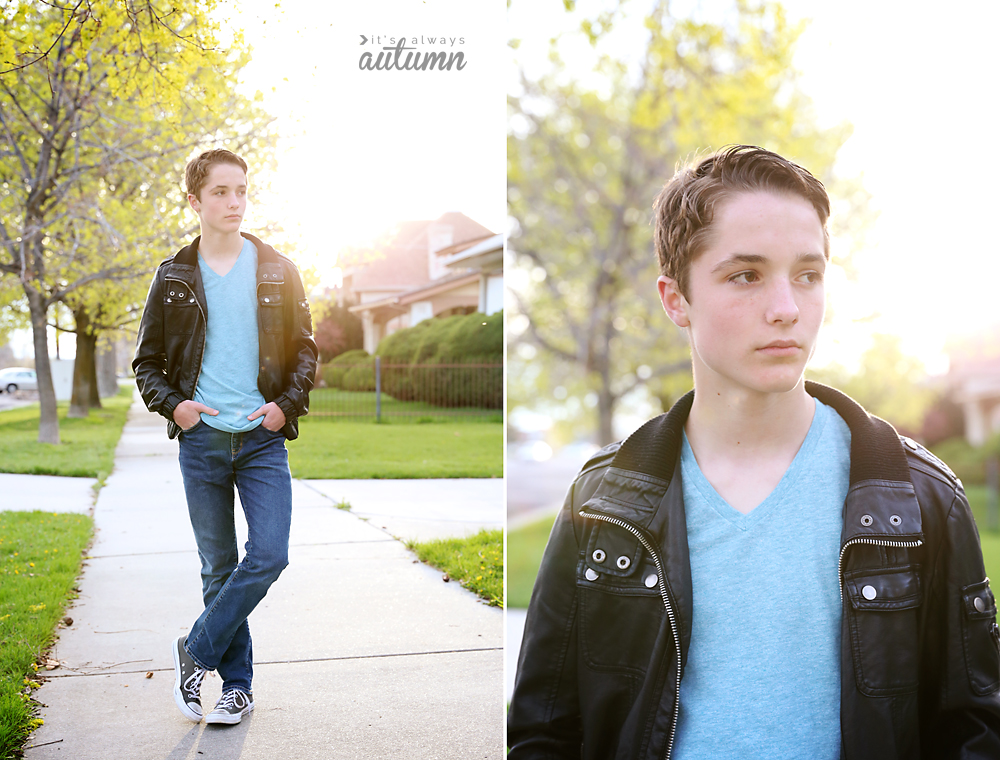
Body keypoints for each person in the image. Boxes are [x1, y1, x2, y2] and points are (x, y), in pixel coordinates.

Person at [507, 145, 1000, 758]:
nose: (787, 309)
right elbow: (544, 729)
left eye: (808, 275)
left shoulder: (923, 499)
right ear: (675, 299)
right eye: (746, 275)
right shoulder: (603, 502)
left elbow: (975, 730)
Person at [133, 148, 317, 725]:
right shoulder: (174, 277)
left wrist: (285, 409)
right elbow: (147, 363)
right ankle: (236, 687)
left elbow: (305, 352)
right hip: (203, 440)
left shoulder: (277, 270)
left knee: (269, 554)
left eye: (241, 190)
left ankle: (195, 649)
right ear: (195, 200)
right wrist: (177, 409)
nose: (234, 202)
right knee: (218, 567)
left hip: (261, 438)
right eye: (220, 192)